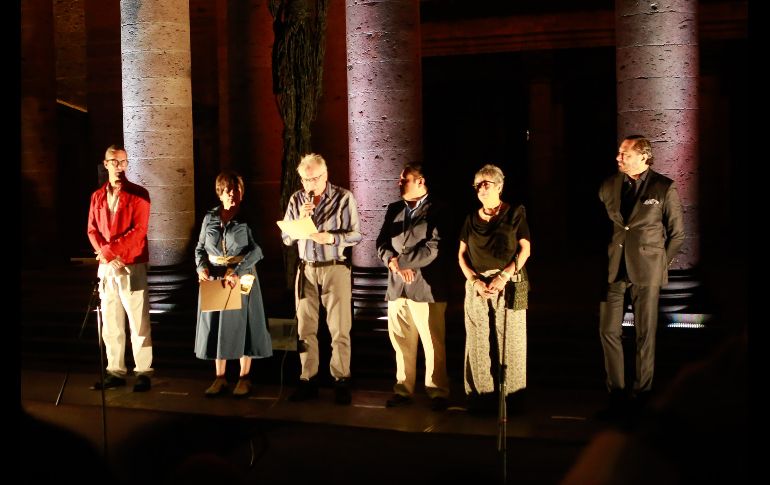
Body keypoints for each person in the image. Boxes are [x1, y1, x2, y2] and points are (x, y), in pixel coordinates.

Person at [598, 135, 685, 413]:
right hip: (615, 269)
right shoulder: (609, 185)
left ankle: (642, 394)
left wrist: (661, 264)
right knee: (608, 330)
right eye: (619, 152)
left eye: (624, 153)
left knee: (644, 334)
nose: (618, 157)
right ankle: (617, 395)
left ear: (643, 156)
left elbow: (677, 234)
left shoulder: (663, 187)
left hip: (646, 270)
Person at [281, 153, 362, 405]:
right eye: (304, 179)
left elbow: (356, 235)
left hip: (334, 266)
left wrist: (333, 238)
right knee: (305, 327)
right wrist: (299, 221)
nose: (309, 185)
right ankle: (308, 379)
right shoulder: (297, 199)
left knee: (339, 327)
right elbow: (286, 238)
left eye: (313, 179)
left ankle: (341, 379)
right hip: (306, 268)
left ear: (324, 176)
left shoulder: (343, 197)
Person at [376, 163, 450, 411]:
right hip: (397, 286)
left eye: (404, 179)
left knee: (432, 341)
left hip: (426, 287)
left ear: (420, 181)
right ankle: (403, 389)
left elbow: (434, 247)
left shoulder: (438, 209)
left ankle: (437, 391)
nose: (399, 183)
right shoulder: (394, 209)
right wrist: (393, 262)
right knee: (400, 340)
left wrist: (404, 262)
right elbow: (381, 242)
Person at [458, 164, 531, 412]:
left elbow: (525, 249)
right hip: (477, 282)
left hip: (509, 280)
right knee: (476, 338)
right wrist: (475, 280)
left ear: (499, 186)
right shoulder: (470, 219)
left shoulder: (516, 213)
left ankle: (513, 397)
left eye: (486, 183)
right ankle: (481, 396)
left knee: (512, 338)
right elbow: (461, 255)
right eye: (478, 184)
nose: (481, 188)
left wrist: (504, 276)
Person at [194, 171, 273, 397]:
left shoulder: (248, 216)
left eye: (237, 189)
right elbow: (200, 248)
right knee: (217, 326)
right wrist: (201, 268)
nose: (233, 194)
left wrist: (237, 271)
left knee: (243, 325)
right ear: (220, 192)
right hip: (216, 278)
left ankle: (244, 378)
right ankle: (220, 378)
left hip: (242, 276)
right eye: (228, 190)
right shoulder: (209, 218)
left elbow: (258, 249)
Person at [87, 144, 153, 392]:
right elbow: (92, 229)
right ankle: (114, 369)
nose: (119, 166)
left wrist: (110, 252)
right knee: (111, 320)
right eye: (114, 162)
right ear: (105, 164)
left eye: (123, 162)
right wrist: (106, 255)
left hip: (131, 263)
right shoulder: (97, 196)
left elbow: (139, 231)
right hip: (107, 265)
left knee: (138, 320)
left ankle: (143, 370)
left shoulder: (139, 194)